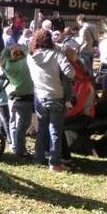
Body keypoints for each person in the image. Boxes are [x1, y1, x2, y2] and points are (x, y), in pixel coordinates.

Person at [26, 28, 74, 172]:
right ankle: (54, 163)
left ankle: (38, 158)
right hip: (56, 97)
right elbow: (71, 73)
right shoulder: (57, 54)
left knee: (42, 129)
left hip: (39, 97)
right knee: (55, 131)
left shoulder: (30, 57)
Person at [0, 43, 34, 158]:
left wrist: (7, 49)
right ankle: (20, 150)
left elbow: (4, 55)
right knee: (23, 125)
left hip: (12, 97)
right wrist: (18, 46)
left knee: (13, 122)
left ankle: (14, 146)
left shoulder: (6, 66)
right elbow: (26, 49)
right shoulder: (23, 63)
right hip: (24, 96)